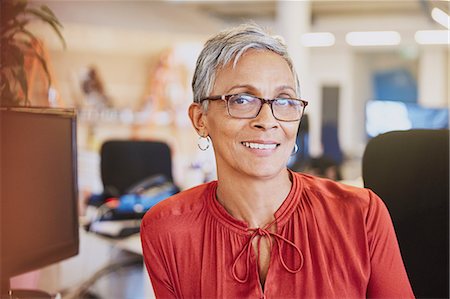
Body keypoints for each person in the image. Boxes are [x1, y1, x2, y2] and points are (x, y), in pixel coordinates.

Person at [140, 23, 414, 298]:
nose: (267, 121)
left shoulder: (361, 215)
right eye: (242, 100)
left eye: (283, 101)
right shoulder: (167, 229)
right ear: (200, 119)